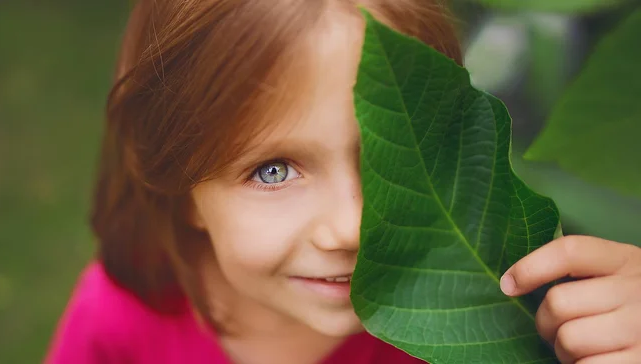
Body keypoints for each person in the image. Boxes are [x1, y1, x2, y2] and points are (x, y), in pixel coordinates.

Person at [45, 0, 641, 363]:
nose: (354, 225)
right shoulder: (119, 320)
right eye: (272, 170)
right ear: (181, 187)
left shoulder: (508, 312)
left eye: (388, 154)